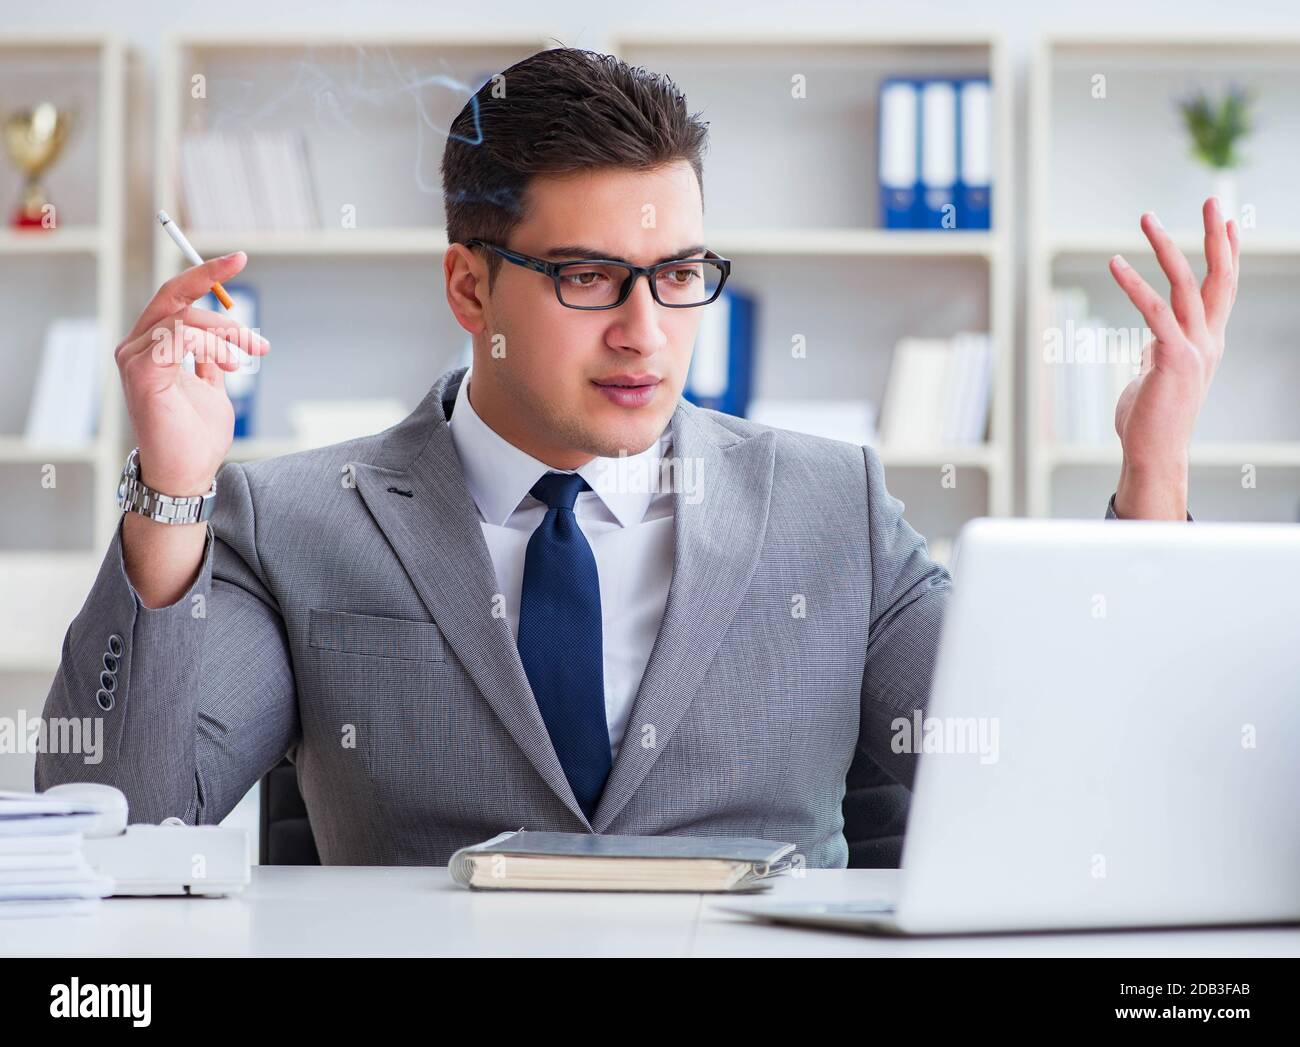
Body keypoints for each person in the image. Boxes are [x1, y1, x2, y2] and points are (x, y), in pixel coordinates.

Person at [36, 48, 1238, 867]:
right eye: (587, 277)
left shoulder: (829, 505)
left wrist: (1153, 481)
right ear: (471, 283)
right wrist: (174, 491)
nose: (644, 333)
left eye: (677, 279)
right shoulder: (298, 516)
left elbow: (1056, 785)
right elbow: (119, 821)